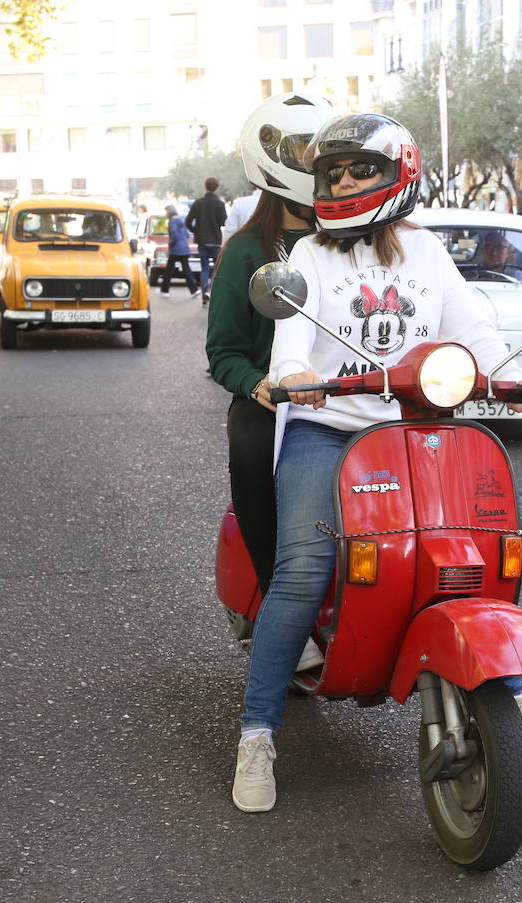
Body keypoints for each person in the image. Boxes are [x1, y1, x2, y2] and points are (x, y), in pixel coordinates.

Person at [231, 112, 522, 815]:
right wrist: (293, 374)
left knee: (471, 556)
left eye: (359, 169)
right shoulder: (311, 260)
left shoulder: (427, 255)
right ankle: (258, 732)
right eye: (333, 173)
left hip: (420, 426)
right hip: (329, 428)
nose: (344, 181)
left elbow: (471, 332)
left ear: (397, 172)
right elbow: (291, 336)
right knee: (303, 571)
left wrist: (513, 376)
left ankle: (508, 690)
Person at [206, 90, 337, 602]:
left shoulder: (351, 240)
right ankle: (276, 594)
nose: (315, 165)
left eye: (319, 153)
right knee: (251, 449)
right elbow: (224, 353)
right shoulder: (244, 253)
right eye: (302, 152)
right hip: (275, 397)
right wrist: (256, 383)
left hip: (349, 389)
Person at [185, 176, 227, 304]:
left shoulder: (198, 203)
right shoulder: (220, 203)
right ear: (216, 187)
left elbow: (188, 221)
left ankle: (204, 295)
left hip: (202, 241)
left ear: (206, 186)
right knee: (217, 268)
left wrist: (195, 231)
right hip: (215, 240)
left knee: (204, 268)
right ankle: (210, 290)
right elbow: (223, 221)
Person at [159, 204, 198, 298]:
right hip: (184, 248)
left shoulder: (172, 222)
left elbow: (174, 235)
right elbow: (187, 235)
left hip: (176, 250)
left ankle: (165, 290)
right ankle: (194, 290)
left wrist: (171, 244)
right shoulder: (181, 221)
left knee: (168, 270)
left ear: (169, 213)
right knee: (186, 270)